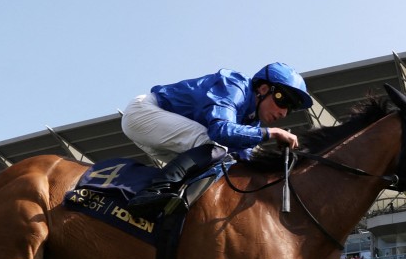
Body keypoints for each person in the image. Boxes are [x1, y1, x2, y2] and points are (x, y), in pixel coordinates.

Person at [120, 63, 312, 217]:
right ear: (263, 88)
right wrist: (271, 133)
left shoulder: (251, 122)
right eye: (282, 100)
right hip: (144, 112)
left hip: (157, 130)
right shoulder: (234, 86)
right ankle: (153, 192)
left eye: (290, 108)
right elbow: (220, 130)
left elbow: (243, 164)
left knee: (222, 166)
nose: (284, 112)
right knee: (216, 147)